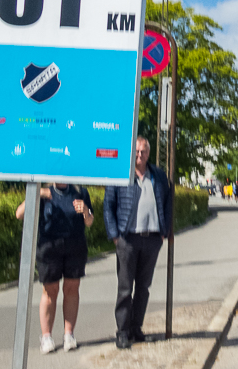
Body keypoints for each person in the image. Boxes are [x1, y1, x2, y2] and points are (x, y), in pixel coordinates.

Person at [103, 136, 174, 349]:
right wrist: (115, 235)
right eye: (136, 151)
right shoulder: (121, 175)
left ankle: (136, 328)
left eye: (143, 152)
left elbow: (168, 204)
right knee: (125, 288)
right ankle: (122, 331)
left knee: (143, 288)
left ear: (148, 154)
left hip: (151, 239)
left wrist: (164, 231)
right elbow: (108, 206)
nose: (139, 155)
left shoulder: (158, 177)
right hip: (128, 239)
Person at [16, 183, 94, 354]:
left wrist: (85, 210)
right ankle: (46, 337)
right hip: (49, 247)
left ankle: (69, 335)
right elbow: (19, 214)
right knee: (50, 290)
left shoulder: (80, 191)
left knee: (72, 288)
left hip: (75, 245)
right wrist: (38, 194)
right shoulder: (43, 191)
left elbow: (89, 222)